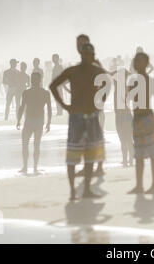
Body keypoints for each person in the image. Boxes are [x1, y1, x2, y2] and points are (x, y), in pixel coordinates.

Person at [50, 39, 108, 200]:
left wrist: (100, 101)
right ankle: (72, 191)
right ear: (81, 55)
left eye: (91, 54)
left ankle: (87, 188)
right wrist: (64, 105)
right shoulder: (73, 71)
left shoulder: (96, 71)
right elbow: (53, 85)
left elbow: (107, 82)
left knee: (90, 155)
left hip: (91, 116)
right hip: (76, 117)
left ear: (93, 55)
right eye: (86, 54)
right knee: (73, 155)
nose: (88, 57)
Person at [127, 52, 154, 195]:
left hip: (148, 118)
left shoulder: (151, 81)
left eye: (140, 61)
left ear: (146, 64)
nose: (136, 63)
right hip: (137, 119)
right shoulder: (133, 81)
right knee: (139, 155)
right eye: (135, 61)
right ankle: (139, 185)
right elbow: (128, 99)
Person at [17, 72, 52, 174]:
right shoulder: (45, 93)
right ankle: (35, 168)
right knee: (36, 145)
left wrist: (18, 120)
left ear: (32, 80)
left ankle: (25, 167)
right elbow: (49, 110)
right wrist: (48, 123)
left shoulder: (26, 93)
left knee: (25, 143)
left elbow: (22, 107)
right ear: (40, 80)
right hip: (39, 121)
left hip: (29, 121)